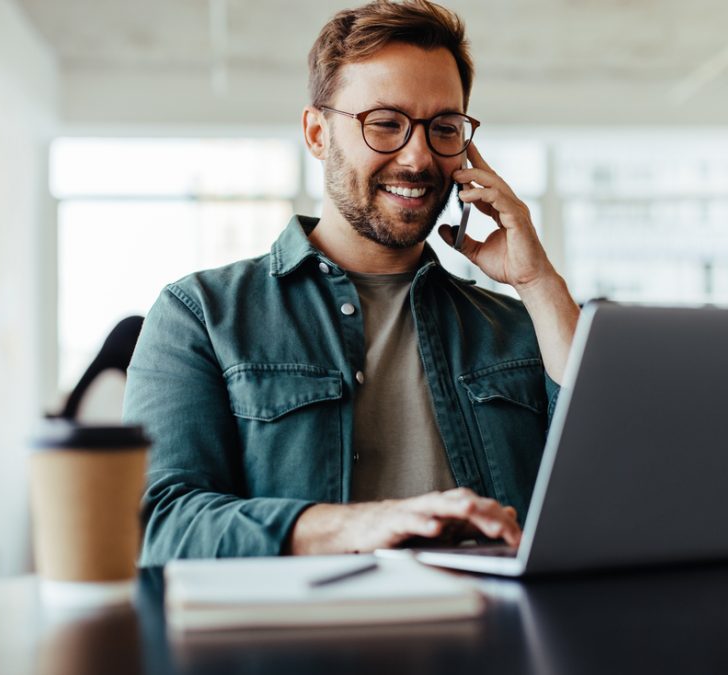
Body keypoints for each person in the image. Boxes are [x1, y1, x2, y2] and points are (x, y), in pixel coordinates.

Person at [123, 0, 581, 565]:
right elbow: (156, 524)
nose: (418, 157)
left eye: (443, 128)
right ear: (317, 132)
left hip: (496, 643)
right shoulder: (201, 315)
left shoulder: (517, 327)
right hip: (300, 646)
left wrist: (539, 283)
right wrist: (363, 523)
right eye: (385, 123)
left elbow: (613, 486)